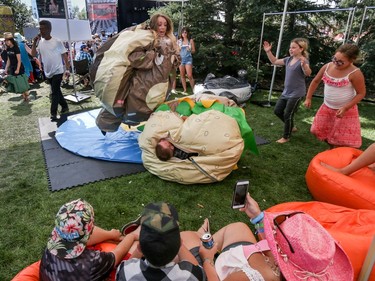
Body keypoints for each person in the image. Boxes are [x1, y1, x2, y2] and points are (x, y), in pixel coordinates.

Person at [182, 193, 353, 281]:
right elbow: (268, 245)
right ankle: (202, 238)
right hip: (252, 256)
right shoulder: (290, 266)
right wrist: (257, 218)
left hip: (225, 270)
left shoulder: (258, 276)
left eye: (277, 235)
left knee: (184, 238)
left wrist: (208, 259)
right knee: (238, 227)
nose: (274, 232)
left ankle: (198, 238)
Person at [39, 198, 138, 281]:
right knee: (135, 246)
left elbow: (85, 235)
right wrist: (132, 236)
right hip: (90, 271)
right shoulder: (92, 262)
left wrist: (111, 234)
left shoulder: (49, 248)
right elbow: (116, 254)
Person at [115, 202, 205, 280]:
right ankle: (203, 230)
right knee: (193, 236)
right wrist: (180, 245)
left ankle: (142, 227)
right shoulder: (191, 276)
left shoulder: (124, 271)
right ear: (180, 243)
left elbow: (129, 264)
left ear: (139, 248)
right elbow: (196, 267)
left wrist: (141, 246)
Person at [304, 43, 366, 149]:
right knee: (316, 130)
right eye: (334, 59)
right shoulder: (328, 66)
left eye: (340, 62)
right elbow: (315, 81)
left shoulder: (355, 73)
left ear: (352, 60)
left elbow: (361, 93)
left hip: (345, 110)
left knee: (340, 137)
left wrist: (345, 107)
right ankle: (332, 147)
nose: (335, 63)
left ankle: (335, 153)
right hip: (327, 107)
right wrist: (308, 97)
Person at [263, 38, 312, 143]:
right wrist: (268, 51)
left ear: (301, 49)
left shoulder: (303, 60)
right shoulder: (289, 59)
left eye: (294, 47)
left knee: (287, 114)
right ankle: (291, 126)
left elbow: (308, 73)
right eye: (290, 47)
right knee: (277, 111)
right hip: (286, 92)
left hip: (297, 93)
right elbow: (275, 61)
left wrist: (304, 65)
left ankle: (286, 137)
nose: (291, 49)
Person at [31, 20, 70, 121]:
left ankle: (53, 113)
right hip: (48, 71)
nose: (41, 31)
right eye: (40, 29)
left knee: (54, 92)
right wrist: (34, 42)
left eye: (43, 29)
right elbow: (33, 54)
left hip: (58, 70)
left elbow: (64, 55)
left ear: (49, 29)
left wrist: (67, 69)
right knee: (57, 91)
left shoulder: (56, 42)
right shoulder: (40, 42)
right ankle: (65, 106)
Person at [3, 32, 30, 101]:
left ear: (11, 40)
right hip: (12, 68)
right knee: (17, 82)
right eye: (5, 41)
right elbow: (9, 59)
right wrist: (6, 68)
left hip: (19, 67)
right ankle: (25, 96)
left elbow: (19, 60)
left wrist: (18, 69)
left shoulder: (16, 48)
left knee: (21, 82)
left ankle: (26, 95)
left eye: (8, 41)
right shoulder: (8, 49)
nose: (6, 42)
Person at [178, 27, 195, 95]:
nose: (184, 34)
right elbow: (177, 50)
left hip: (188, 59)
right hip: (181, 60)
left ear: (187, 33)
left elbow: (194, 50)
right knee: (182, 75)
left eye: (185, 32)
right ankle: (185, 90)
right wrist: (178, 49)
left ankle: (194, 90)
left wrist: (190, 50)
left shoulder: (190, 41)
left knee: (189, 75)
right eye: (182, 32)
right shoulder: (179, 41)